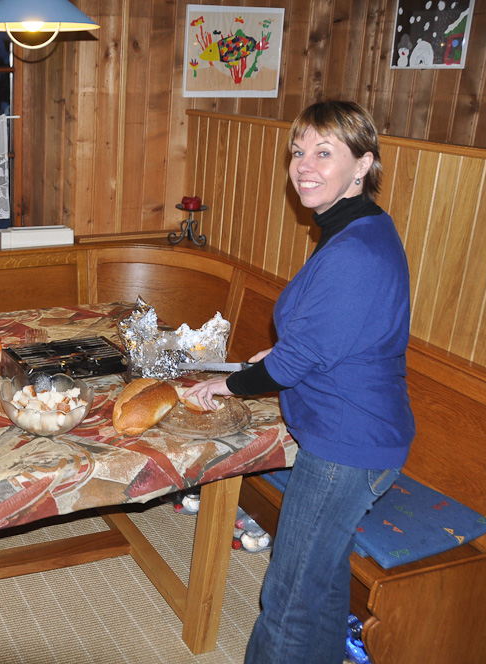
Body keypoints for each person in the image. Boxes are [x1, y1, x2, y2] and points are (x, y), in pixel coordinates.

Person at [184, 100, 414, 664]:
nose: (304, 166)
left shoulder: (355, 249)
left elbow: (296, 363)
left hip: (346, 444)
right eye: (298, 151)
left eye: (324, 152)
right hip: (356, 434)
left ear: (363, 164)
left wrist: (228, 385)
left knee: (289, 597)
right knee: (322, 581)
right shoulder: (361, 228)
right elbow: (337, 335)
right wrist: (285, 350)